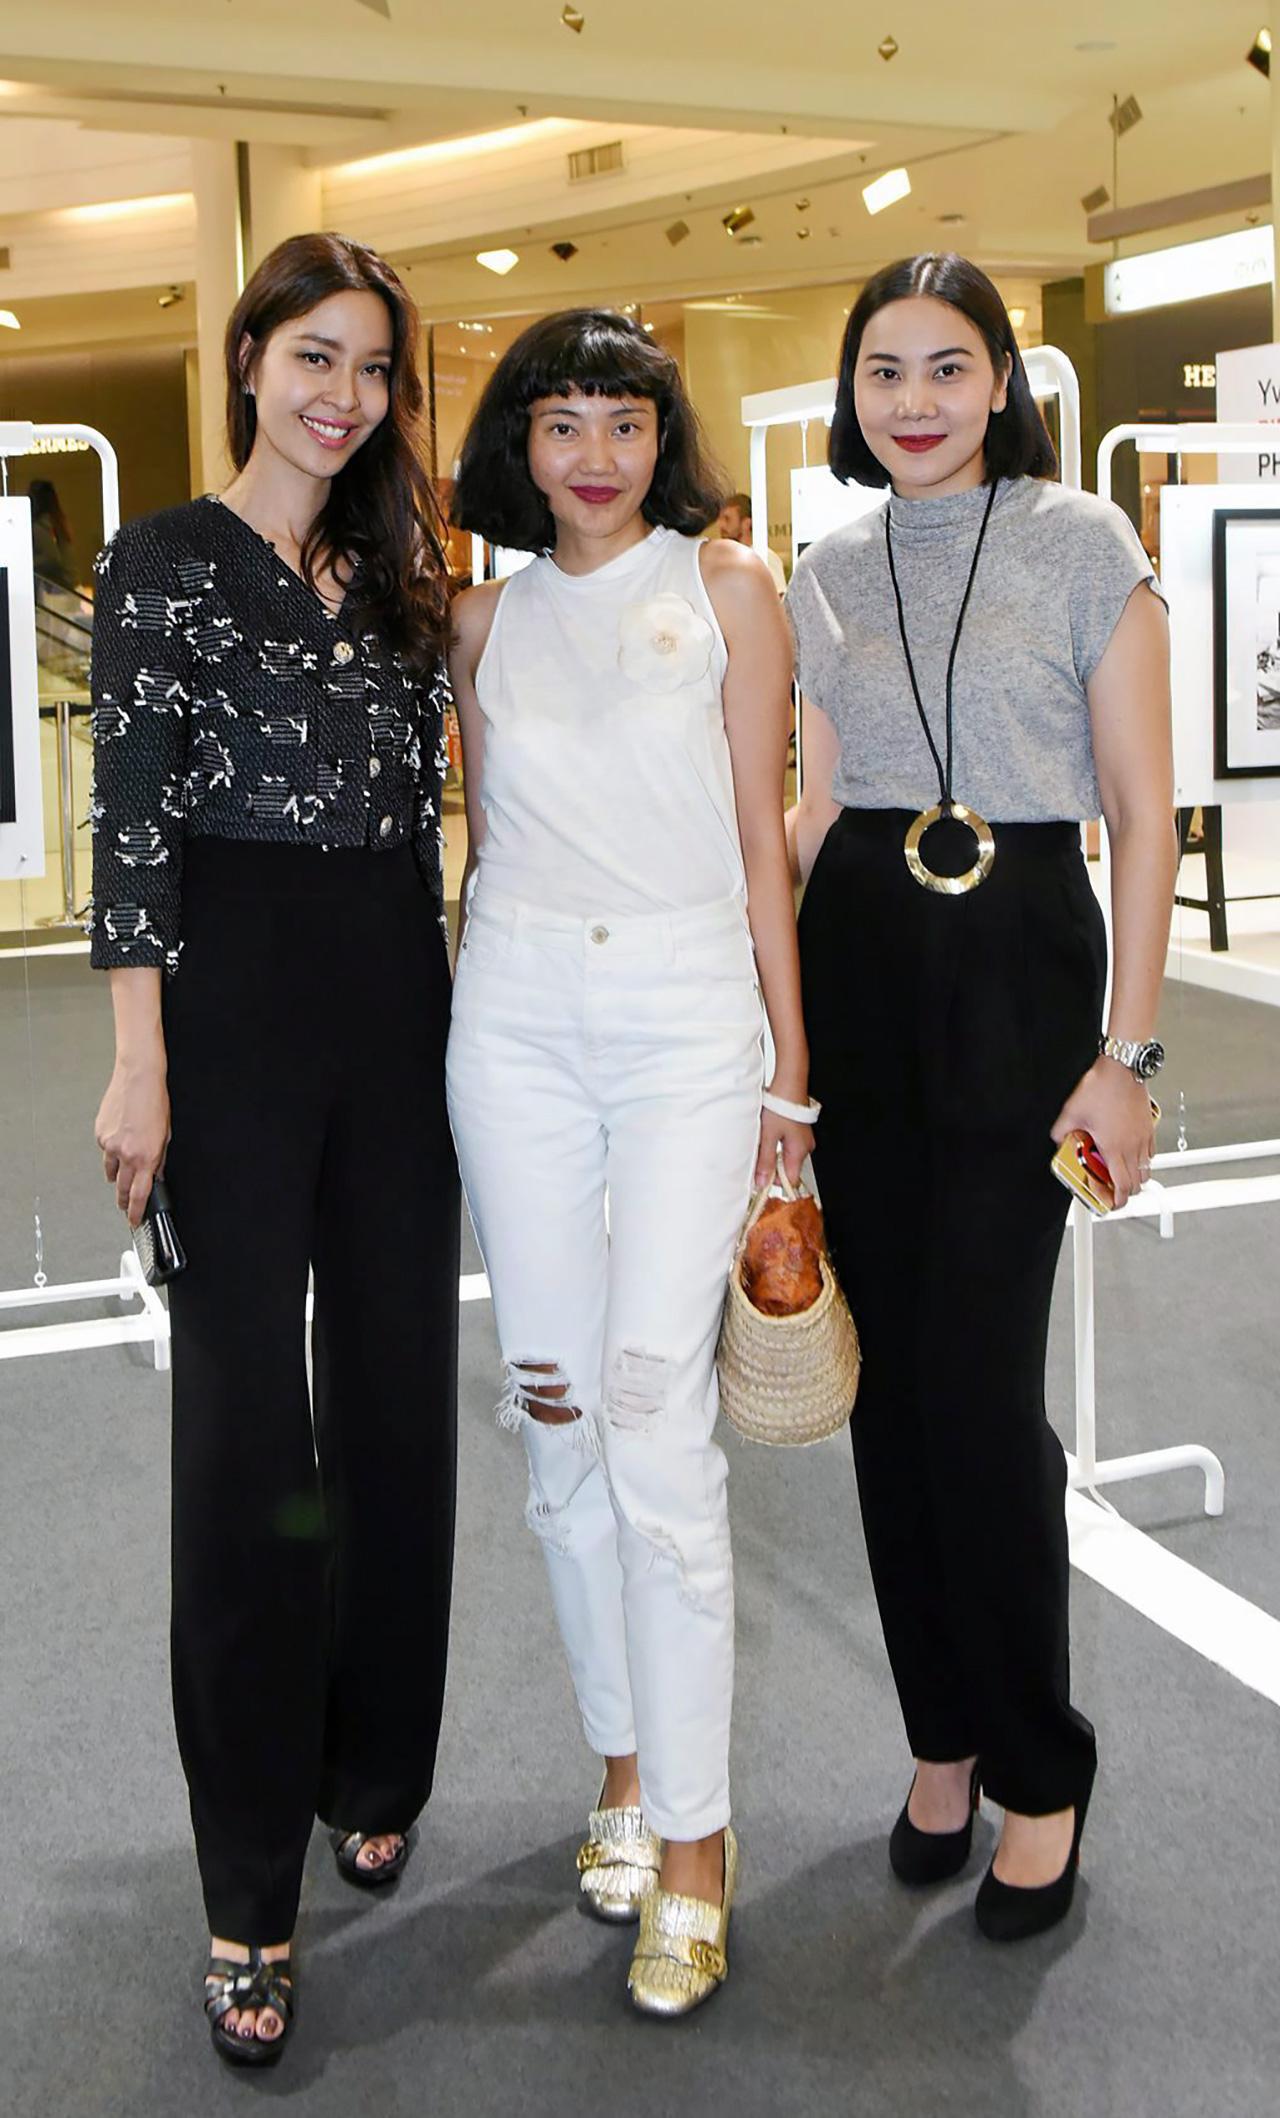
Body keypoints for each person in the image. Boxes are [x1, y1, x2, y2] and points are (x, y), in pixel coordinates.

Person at [88, 233, 459, 2067]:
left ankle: (375, 1759)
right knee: (249, 1443)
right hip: (228, 1011)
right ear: (249, 359)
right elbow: (133, 828)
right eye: (316, 356)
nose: (345, 396)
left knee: (395, 1401)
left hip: (398, 998)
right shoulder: (162, 559)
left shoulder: (406, 576)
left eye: (374, 368)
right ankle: (248, 1880)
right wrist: (137, 1063)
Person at [786, 253, 1175, 1943]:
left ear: (1005, 380)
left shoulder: (1085, 544)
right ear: (852, 391)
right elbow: (812, 812)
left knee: (977, 1394)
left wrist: (1128, 1054)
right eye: (885, 370)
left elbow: (1145, 819)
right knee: (885, 1395)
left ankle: (1039, 1764)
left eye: (950, 366)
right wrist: (772, 1043)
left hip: (1021, 966)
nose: (917, 401)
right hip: (861, 961)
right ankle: (938, 1738)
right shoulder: (825, 566)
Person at [447, 309, 813, 2015]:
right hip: (516, 1019)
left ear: (665, 438)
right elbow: (485, 844)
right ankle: (617, 1757)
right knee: (559, 1406)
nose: (594, 453)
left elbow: (758, 841)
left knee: (657, 1409)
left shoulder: (729, 587)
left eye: (625, 419)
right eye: (561, 421)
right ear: (518, 445)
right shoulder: (480, 619)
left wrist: (788, 1080)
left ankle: (693, 1838)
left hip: (686, 1019)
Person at [717, 490, 787, 592]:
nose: (721, 525)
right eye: (720, 519)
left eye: (727, 519)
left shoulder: (765, 557)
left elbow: (779, 597)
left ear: (746, 523)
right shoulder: (725, 560)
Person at [29, 476, 79, 592]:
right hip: (70, 586)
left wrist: (27, 564)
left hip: (56, 588)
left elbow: (51, 558)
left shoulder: (40, 526)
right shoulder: (58, 523)